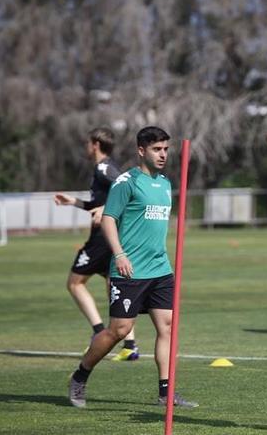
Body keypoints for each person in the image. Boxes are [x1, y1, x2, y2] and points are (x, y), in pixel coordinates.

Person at [68, 126, 197, 408]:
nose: (163, 154)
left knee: (167, 327)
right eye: (156, 149)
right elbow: (109, 219)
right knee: (120, 330)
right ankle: (80, 376)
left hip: (160, 268)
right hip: (129, 270)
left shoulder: (164, 183)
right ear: (141, 150)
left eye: (165, 149)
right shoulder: (126, 181)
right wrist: (120, 254)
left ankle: (166, 392)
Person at [54, 127, 139, 362]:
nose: (86, 147)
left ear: (95, 145)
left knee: (75, 283)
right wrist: (74, 202)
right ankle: (130, 345)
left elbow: (126, 190)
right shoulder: (103, 168)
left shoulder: (105, 169)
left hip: (102, 239)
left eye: (87, 143)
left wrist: (105, 209)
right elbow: (97, 203)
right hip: (109, 237)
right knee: (114, 284)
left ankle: (99, 333)